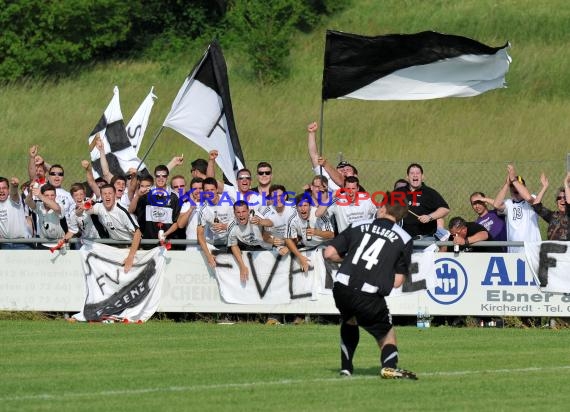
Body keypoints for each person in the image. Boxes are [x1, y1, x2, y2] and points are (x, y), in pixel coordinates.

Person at [324, 193, 417, 380]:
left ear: (382, 208)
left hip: (341, 288)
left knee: (349, 320)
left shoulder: (359, 225)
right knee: (387, 336)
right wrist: (379, 273)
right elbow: (398, 281)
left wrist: (350, 259)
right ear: (401, 215)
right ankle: (389, 367)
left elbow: (329, 253)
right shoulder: (405, 239)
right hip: (368, 295)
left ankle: (346, 368)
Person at [86, 184, 141, 272]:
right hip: (116, 247)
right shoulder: (100, 206)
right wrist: (86, 204)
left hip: (131, 248)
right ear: (101, 196)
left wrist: (130, 257)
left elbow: (138, 233)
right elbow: (88, 210)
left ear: (115, 195)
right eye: (104, 194)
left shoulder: (122, 210)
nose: (107, 196)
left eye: (110, 193)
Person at [493, 164, 542, 253]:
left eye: (518, 186)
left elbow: (528, 197)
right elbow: (496, 205)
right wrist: (507, 184)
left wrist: (514, 180)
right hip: (514, 251)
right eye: (513, 187)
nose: (515, 189)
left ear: (523, 187)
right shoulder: (508, 203)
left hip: (532, 251)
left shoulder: (532, 198)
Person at [402, 163, 449, 246]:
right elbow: (386, 207)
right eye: (412, 173)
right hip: (404, 240)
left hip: (425, 240)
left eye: (418, 173)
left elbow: (445, 209)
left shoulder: (430, 193)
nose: (415, 175)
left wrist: (429, 217)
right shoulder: (399, 192)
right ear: (407, 177)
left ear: (422, 177)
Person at [285, 194, 335, 272]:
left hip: (324, 245)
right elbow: (288, 239)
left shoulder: (318, 214)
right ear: (296, 208)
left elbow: (332, 234)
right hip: (307, 247)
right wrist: (300, 257)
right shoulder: (293, 218)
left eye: (305, 205)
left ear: (310, 206)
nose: (303, 208)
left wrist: (316, 232)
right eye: (300, 206)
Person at [227, 200, 273, 282]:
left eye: (244, 211)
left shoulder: (254, 215)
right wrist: (242, 266)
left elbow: (270, 223)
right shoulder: (231, 226)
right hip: (250, 247)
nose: (241, 215)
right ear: (234, 213)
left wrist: (260, 222)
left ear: (248, 211)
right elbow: (234, 245)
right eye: (238, 212)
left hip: (267, 243)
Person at [517, 173, 569, 241]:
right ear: (556, 202)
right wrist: (544, 186)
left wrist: (566, 183)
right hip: (552, 250)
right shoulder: (553, 216)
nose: (562, 200)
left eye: (565, 198)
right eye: (559, 198)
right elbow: (536, 205)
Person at [0, 177, 31, 249]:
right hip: (5, 244)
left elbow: (14, 194)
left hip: (22, 244)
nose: (1, 191)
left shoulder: (13, 199)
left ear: (8, 189)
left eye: (4, 188)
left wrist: (14, 186)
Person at [177, 177, 204, 248]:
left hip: (209, 246)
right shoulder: (186, 205)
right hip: (192, 247)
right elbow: (180, 225)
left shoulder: (211, 204)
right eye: (195, 189)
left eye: (200, 188)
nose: (198, 191)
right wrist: (191, 208)